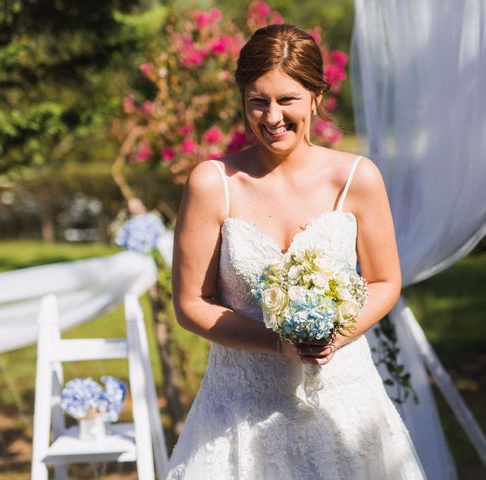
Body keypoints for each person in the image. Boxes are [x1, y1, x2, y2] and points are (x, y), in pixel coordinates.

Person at [163, 23, 426, 480]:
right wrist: (278, 344)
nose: (271, 117)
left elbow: (385, 281)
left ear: (316, 97)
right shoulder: (213, 184)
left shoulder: (356, 178)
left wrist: (335, 337)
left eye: (287, 100)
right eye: (258, 100)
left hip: (345, 404)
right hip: (239, 410)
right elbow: (190, 304)